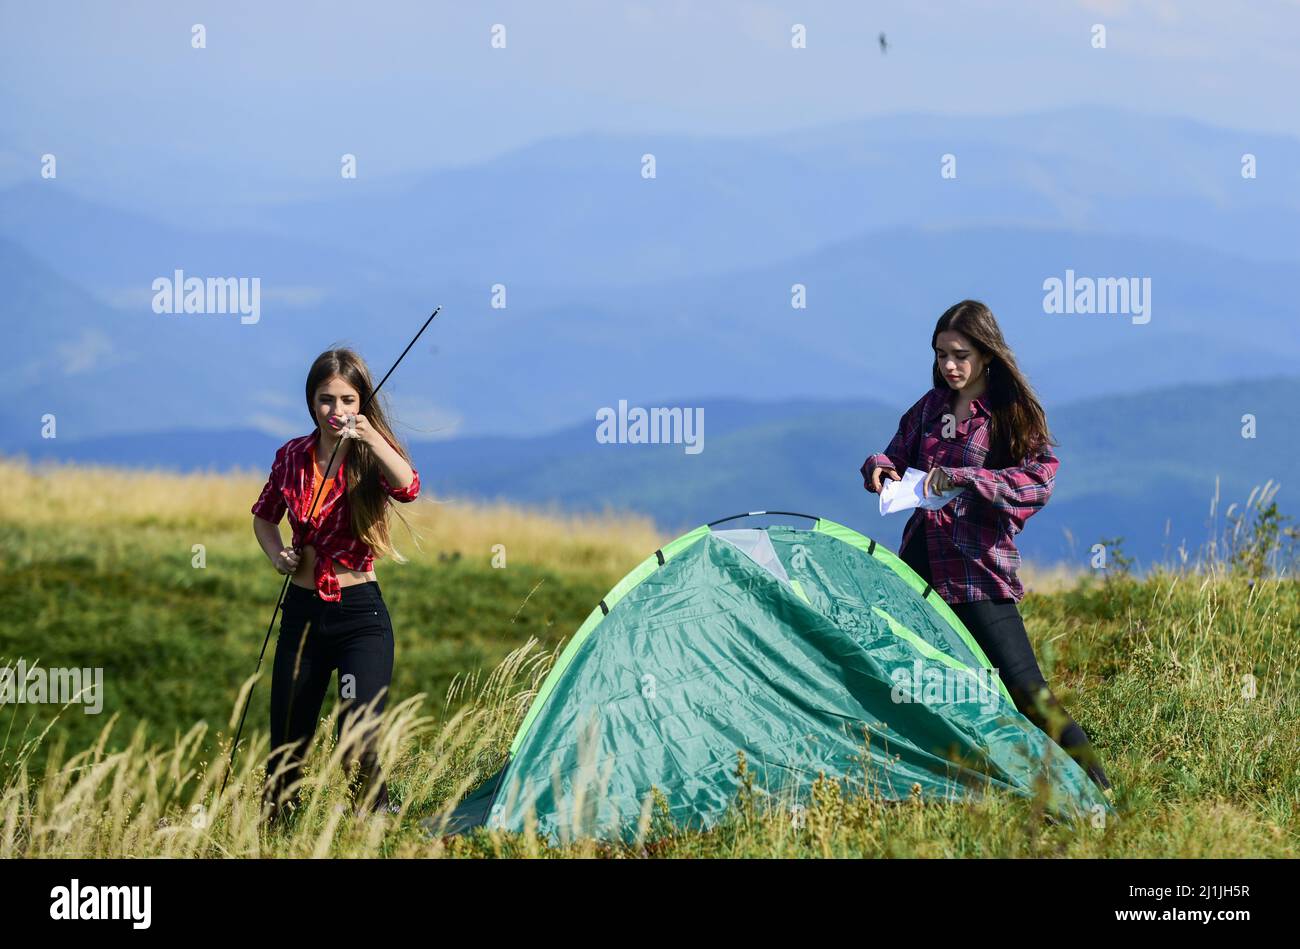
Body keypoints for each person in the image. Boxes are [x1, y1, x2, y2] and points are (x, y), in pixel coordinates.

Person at [861, 300, 1113, 799]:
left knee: (1028, 695)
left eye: (960, 355)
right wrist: (878, 468)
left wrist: (967, 479)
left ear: (987, 356)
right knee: (895, 678)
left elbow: (1038, 481)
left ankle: (1101, 793)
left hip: (977, 576)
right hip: (919, 572)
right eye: (940, 355)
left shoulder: (1008, 416)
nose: (949, 366)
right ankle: (917, 788)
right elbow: (893, 453)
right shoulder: (929, 409)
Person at [250, 347, 422, 825]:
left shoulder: (371, 452)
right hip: (302, 614)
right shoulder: (291, 457)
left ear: (362, 402)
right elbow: (264, 518)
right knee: (288, 742)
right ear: (311, 402)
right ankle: (279, 833)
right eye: (326, 400)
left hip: (359, 617)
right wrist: (277, 554)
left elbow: (409, 487)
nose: (337, 411)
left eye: (348, 399)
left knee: (358, 735)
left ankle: (373, 822)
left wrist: (370, 436)